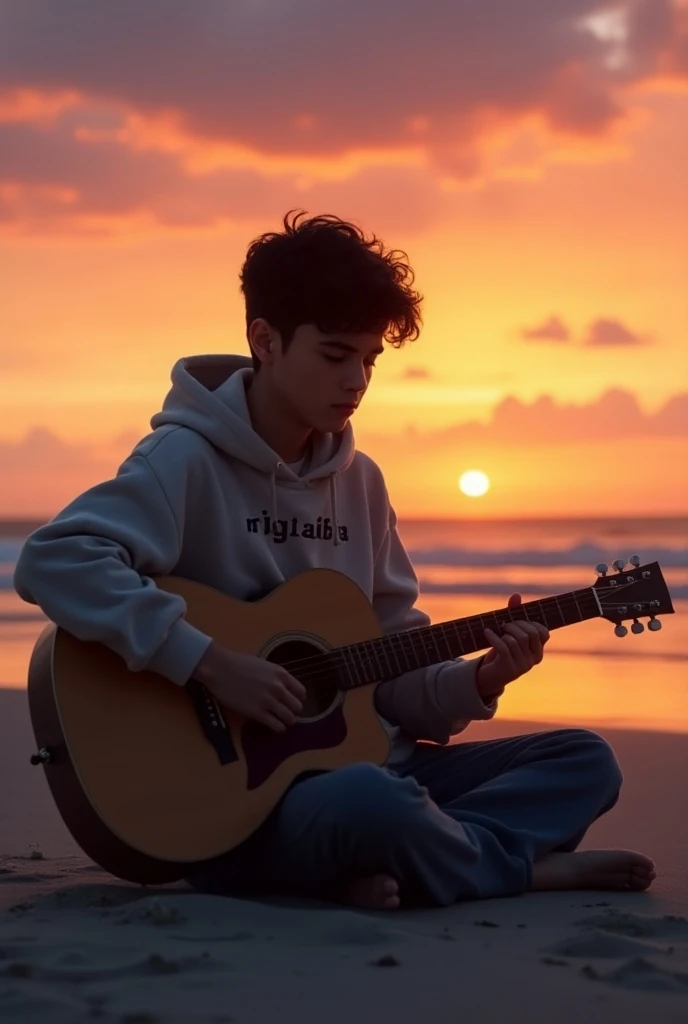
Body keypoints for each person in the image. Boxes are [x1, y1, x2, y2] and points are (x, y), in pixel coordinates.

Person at [14, 210, 655, 910]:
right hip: (245, 807)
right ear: (265, 340)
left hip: (372, 770)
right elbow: (56, 559)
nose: (357, 380)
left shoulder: (362, 482)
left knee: (583, 760)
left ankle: (408, 864)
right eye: (334, 355)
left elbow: (392, 675)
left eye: (370, 360)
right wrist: (211, 662)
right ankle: (521, 869)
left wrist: (481, 680)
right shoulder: (184, 461)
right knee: (369, 802)